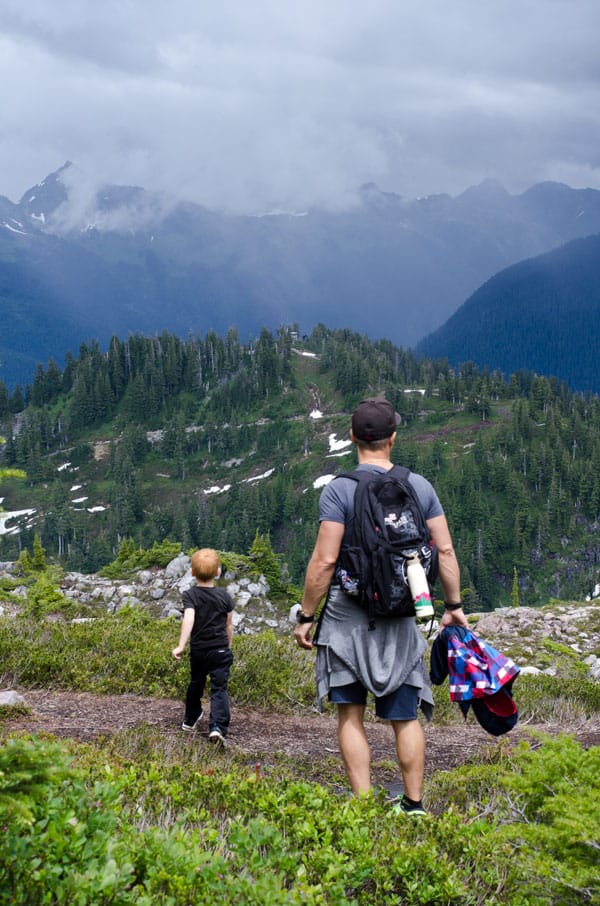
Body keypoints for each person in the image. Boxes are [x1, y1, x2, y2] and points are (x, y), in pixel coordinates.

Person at [294, 397, 468, 814]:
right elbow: (444, 550)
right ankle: (413, 805)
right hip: (403, 610)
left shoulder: (340, 490)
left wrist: (305, 615)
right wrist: (453, 604)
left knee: (350, 714)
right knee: (404, 715)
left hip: (346, 615)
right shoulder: (418, 486)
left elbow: (325, 561)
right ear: (393, 437)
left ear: (353, 437)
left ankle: (364, 805)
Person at [172, 548, 234, 745]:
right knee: (219, 688)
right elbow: (229, 624)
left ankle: (190, 719)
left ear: (192, 572)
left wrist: (181, 644)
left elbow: (189, 618)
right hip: (220, 649)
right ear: (217, 572)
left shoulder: (190, 595)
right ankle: (217, 727)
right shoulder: (225, 596)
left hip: (199, 650)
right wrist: (228, 645)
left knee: (196, 683)